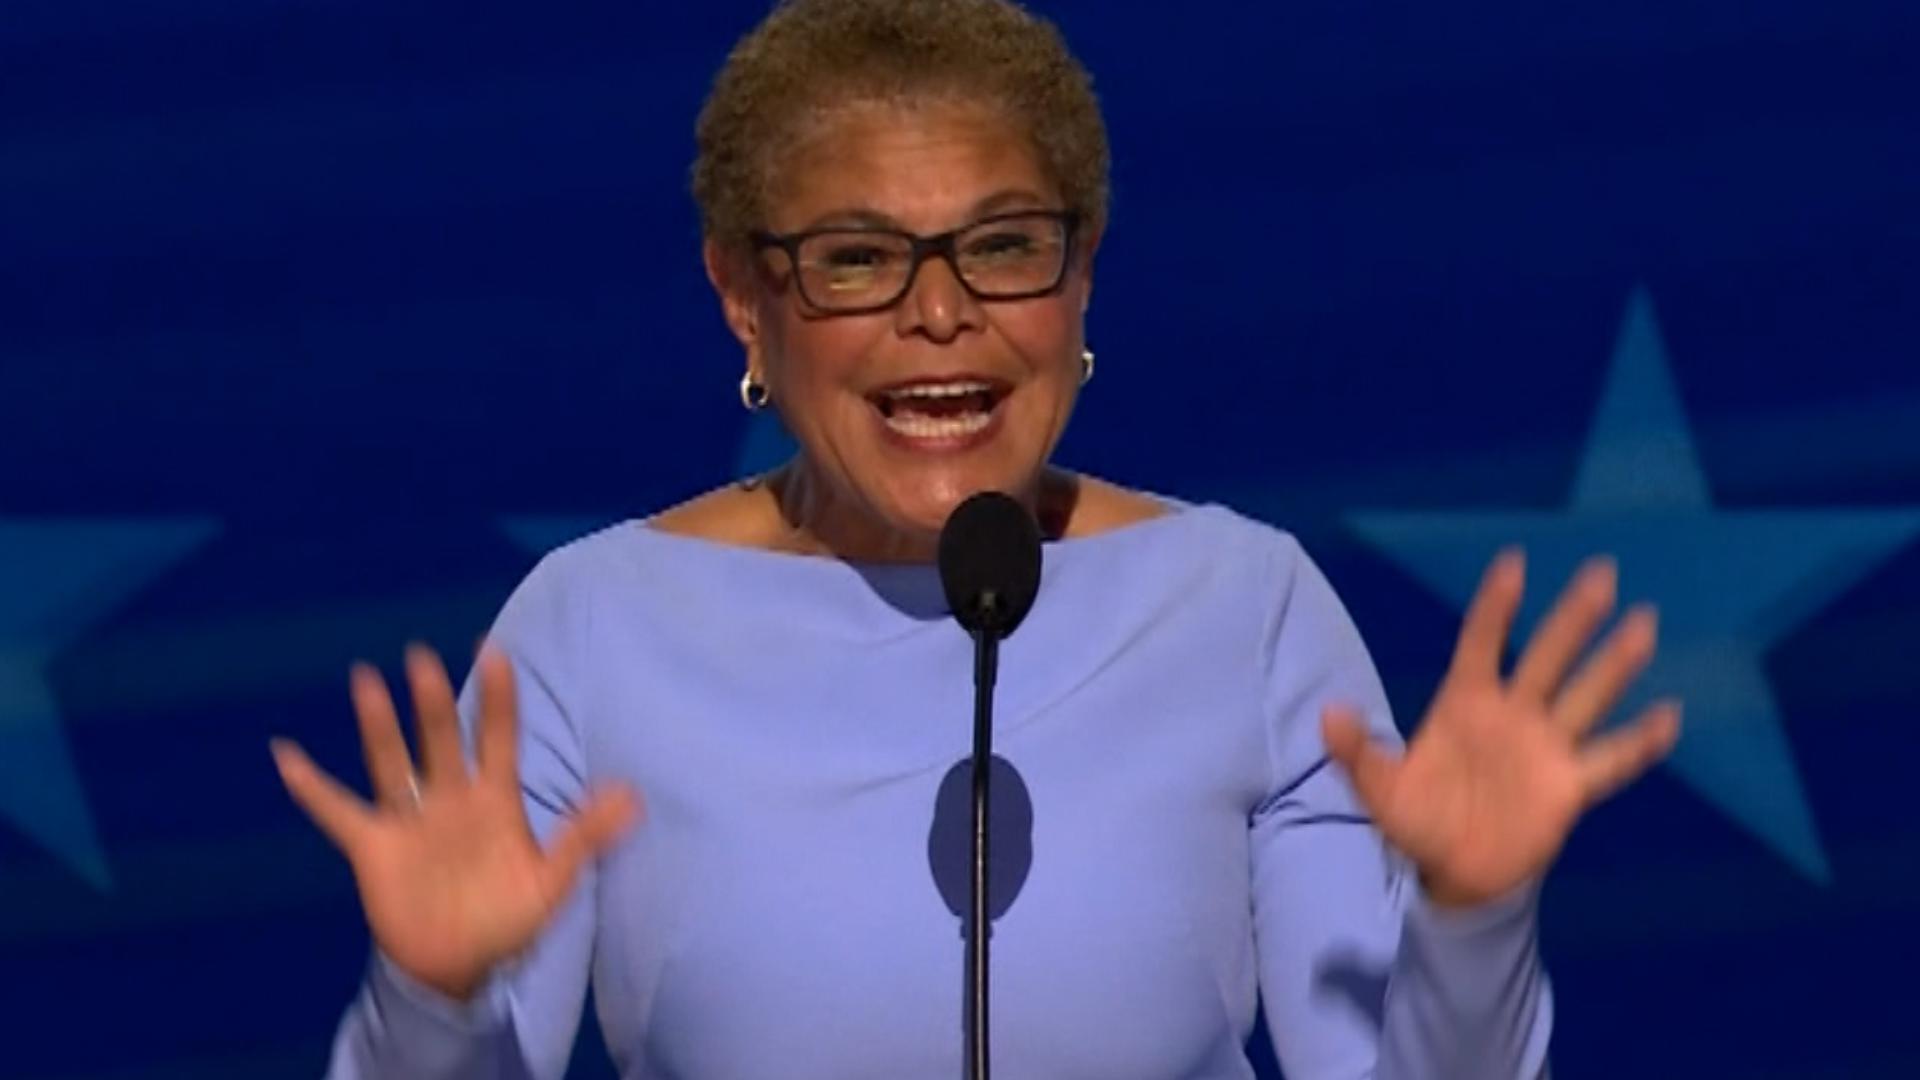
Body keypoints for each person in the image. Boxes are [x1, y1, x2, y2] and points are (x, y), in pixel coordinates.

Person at [269, 1, 1681, 1076]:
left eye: (1004, 246)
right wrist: (435, 999)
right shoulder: (594, 627)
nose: (939, 314)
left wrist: (1473, 915)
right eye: (858, 258)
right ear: (742, 300)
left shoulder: (1240, 607)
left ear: (1081, 281)